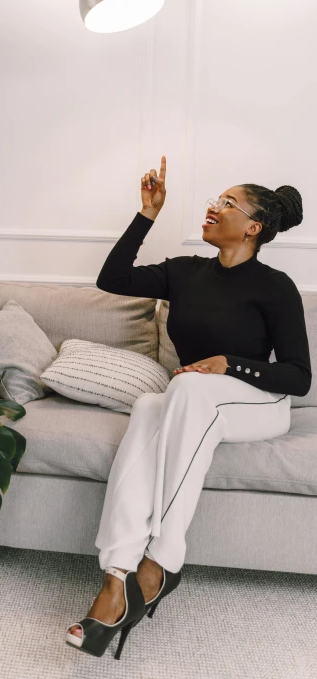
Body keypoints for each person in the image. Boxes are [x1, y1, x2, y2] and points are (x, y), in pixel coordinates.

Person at [65, 155, 312, 660]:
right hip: (193, 399)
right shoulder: (184, 272)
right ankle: (116, 577)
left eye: (227, 202)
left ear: (253, 226)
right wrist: (147, 214)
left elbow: (298, 377)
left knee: (184, 389)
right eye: (214, 200)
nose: (212, 207)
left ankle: (160, 560)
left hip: (260, 403)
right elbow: (112, 279)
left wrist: (230, 364)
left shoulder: (276, 287)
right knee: (152, 403)